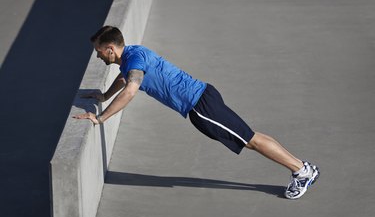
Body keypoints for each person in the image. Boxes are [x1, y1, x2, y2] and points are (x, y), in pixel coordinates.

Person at [73, 26, 319, 199]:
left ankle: (301, 171)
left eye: (98, 51)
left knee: (250, 139)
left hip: (200, 106)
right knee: (250, 136)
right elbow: (125, 78)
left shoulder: (133, 61)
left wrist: (100, 118)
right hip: (204, 96)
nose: (97, 55)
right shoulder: (132, 54)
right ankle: (302, 167)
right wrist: (104, 96)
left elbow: (131, 90)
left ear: (110, 49)